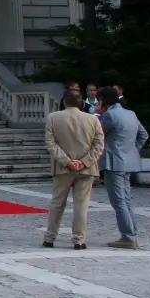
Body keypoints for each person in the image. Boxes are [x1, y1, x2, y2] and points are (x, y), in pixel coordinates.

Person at [42, 91, 105, 250]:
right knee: (81, 205)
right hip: (86, 169)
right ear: (82, 103)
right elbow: (98, 145)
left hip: (62, 168)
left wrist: (67, 161)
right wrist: (84, 162)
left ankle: (49, 237)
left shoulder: (53, 118)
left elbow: (51, 144)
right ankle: (79, 239)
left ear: (64, 102)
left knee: (57, 203)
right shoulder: (92, 119)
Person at [97, 85, 147, 248]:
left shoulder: (110, 115)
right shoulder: (130, 113)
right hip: (129, 160)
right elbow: (143, 135)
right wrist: (133, 150)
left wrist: (97, 114)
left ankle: (128, 236)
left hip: (114, 161)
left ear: (103, 100)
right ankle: (132, 233)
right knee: (126, 199)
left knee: (119, 200)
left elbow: (97, 132)